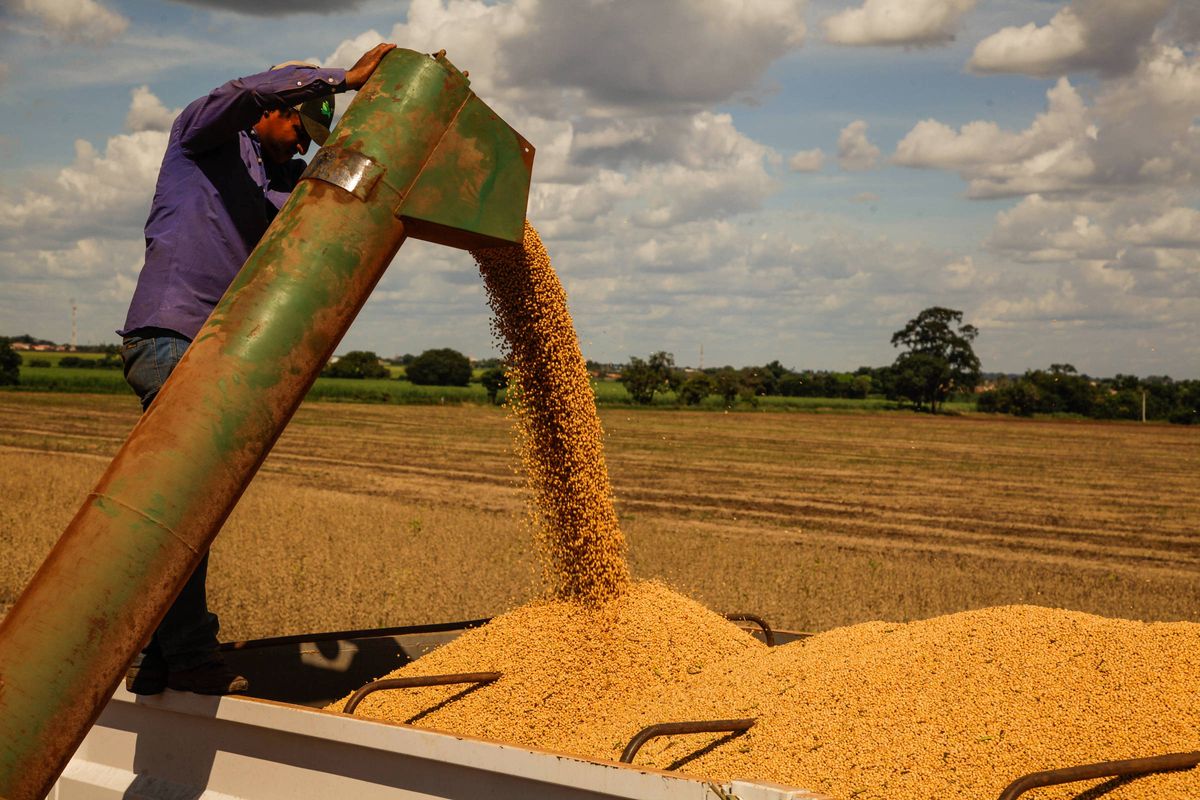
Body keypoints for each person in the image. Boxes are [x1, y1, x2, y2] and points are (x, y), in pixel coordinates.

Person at [118, 42, 396, 695]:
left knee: (184, 503)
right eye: (298, 126)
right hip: (171, 339)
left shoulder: (284, 185)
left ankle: (156, 656)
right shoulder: (202, 141)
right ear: (276, 109)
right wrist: (345, 79)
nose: (300, 143)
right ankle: (187, 651)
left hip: (213, 349)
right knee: (185, 508)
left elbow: (346, 203)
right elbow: (245, 92)